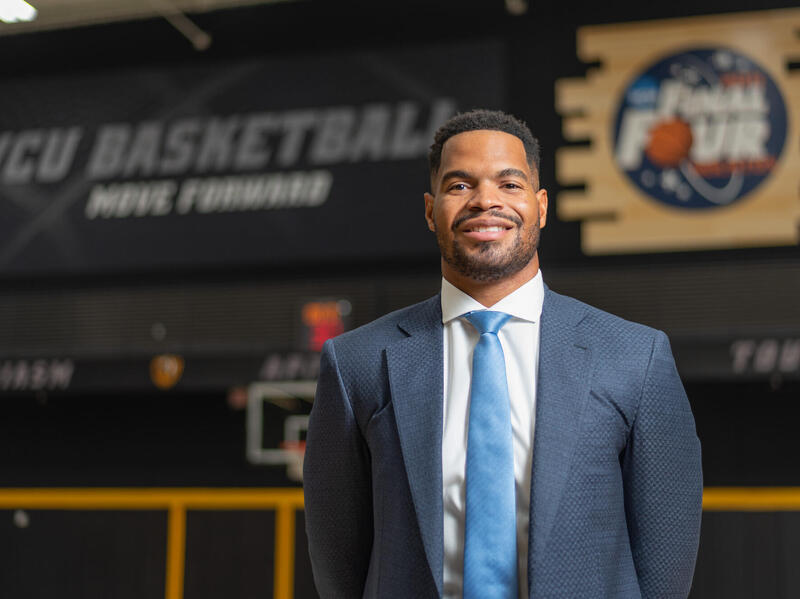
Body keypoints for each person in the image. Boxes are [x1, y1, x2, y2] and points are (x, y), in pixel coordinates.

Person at [303, 109, 702, 599]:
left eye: (509, 184)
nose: (485, 201)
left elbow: (666, 558)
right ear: (431, 211)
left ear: (541, 206)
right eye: (460, 185)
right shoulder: (356, 362)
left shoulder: (635, 357)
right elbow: (337, 559)